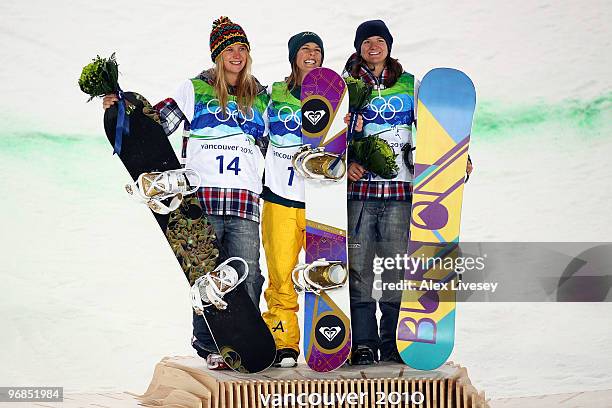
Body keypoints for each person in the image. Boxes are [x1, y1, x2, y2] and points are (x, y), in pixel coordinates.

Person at [103, 16, 269, 369]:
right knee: (206, 273)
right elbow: (158, 123)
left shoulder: (262, 95)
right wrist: (120, 109)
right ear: (217, 54)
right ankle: (209, 343)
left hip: (244, 200)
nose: (236, 55)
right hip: (204, 197)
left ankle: (245, 341)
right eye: (229, 49)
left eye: (242, 48)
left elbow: (275, 141)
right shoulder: (195, 89)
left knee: (248, 274)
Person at [260, 32, 325, 368]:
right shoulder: (273, 93)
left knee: (324, 276)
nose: (311, 55)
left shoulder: (336, 95)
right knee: (281, 275)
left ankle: (327, 341)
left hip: (321, 202)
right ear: (293, 56)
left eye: (317, 50)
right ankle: (283, 341)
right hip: (280, 199)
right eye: (305, 50)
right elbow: (233, 96)